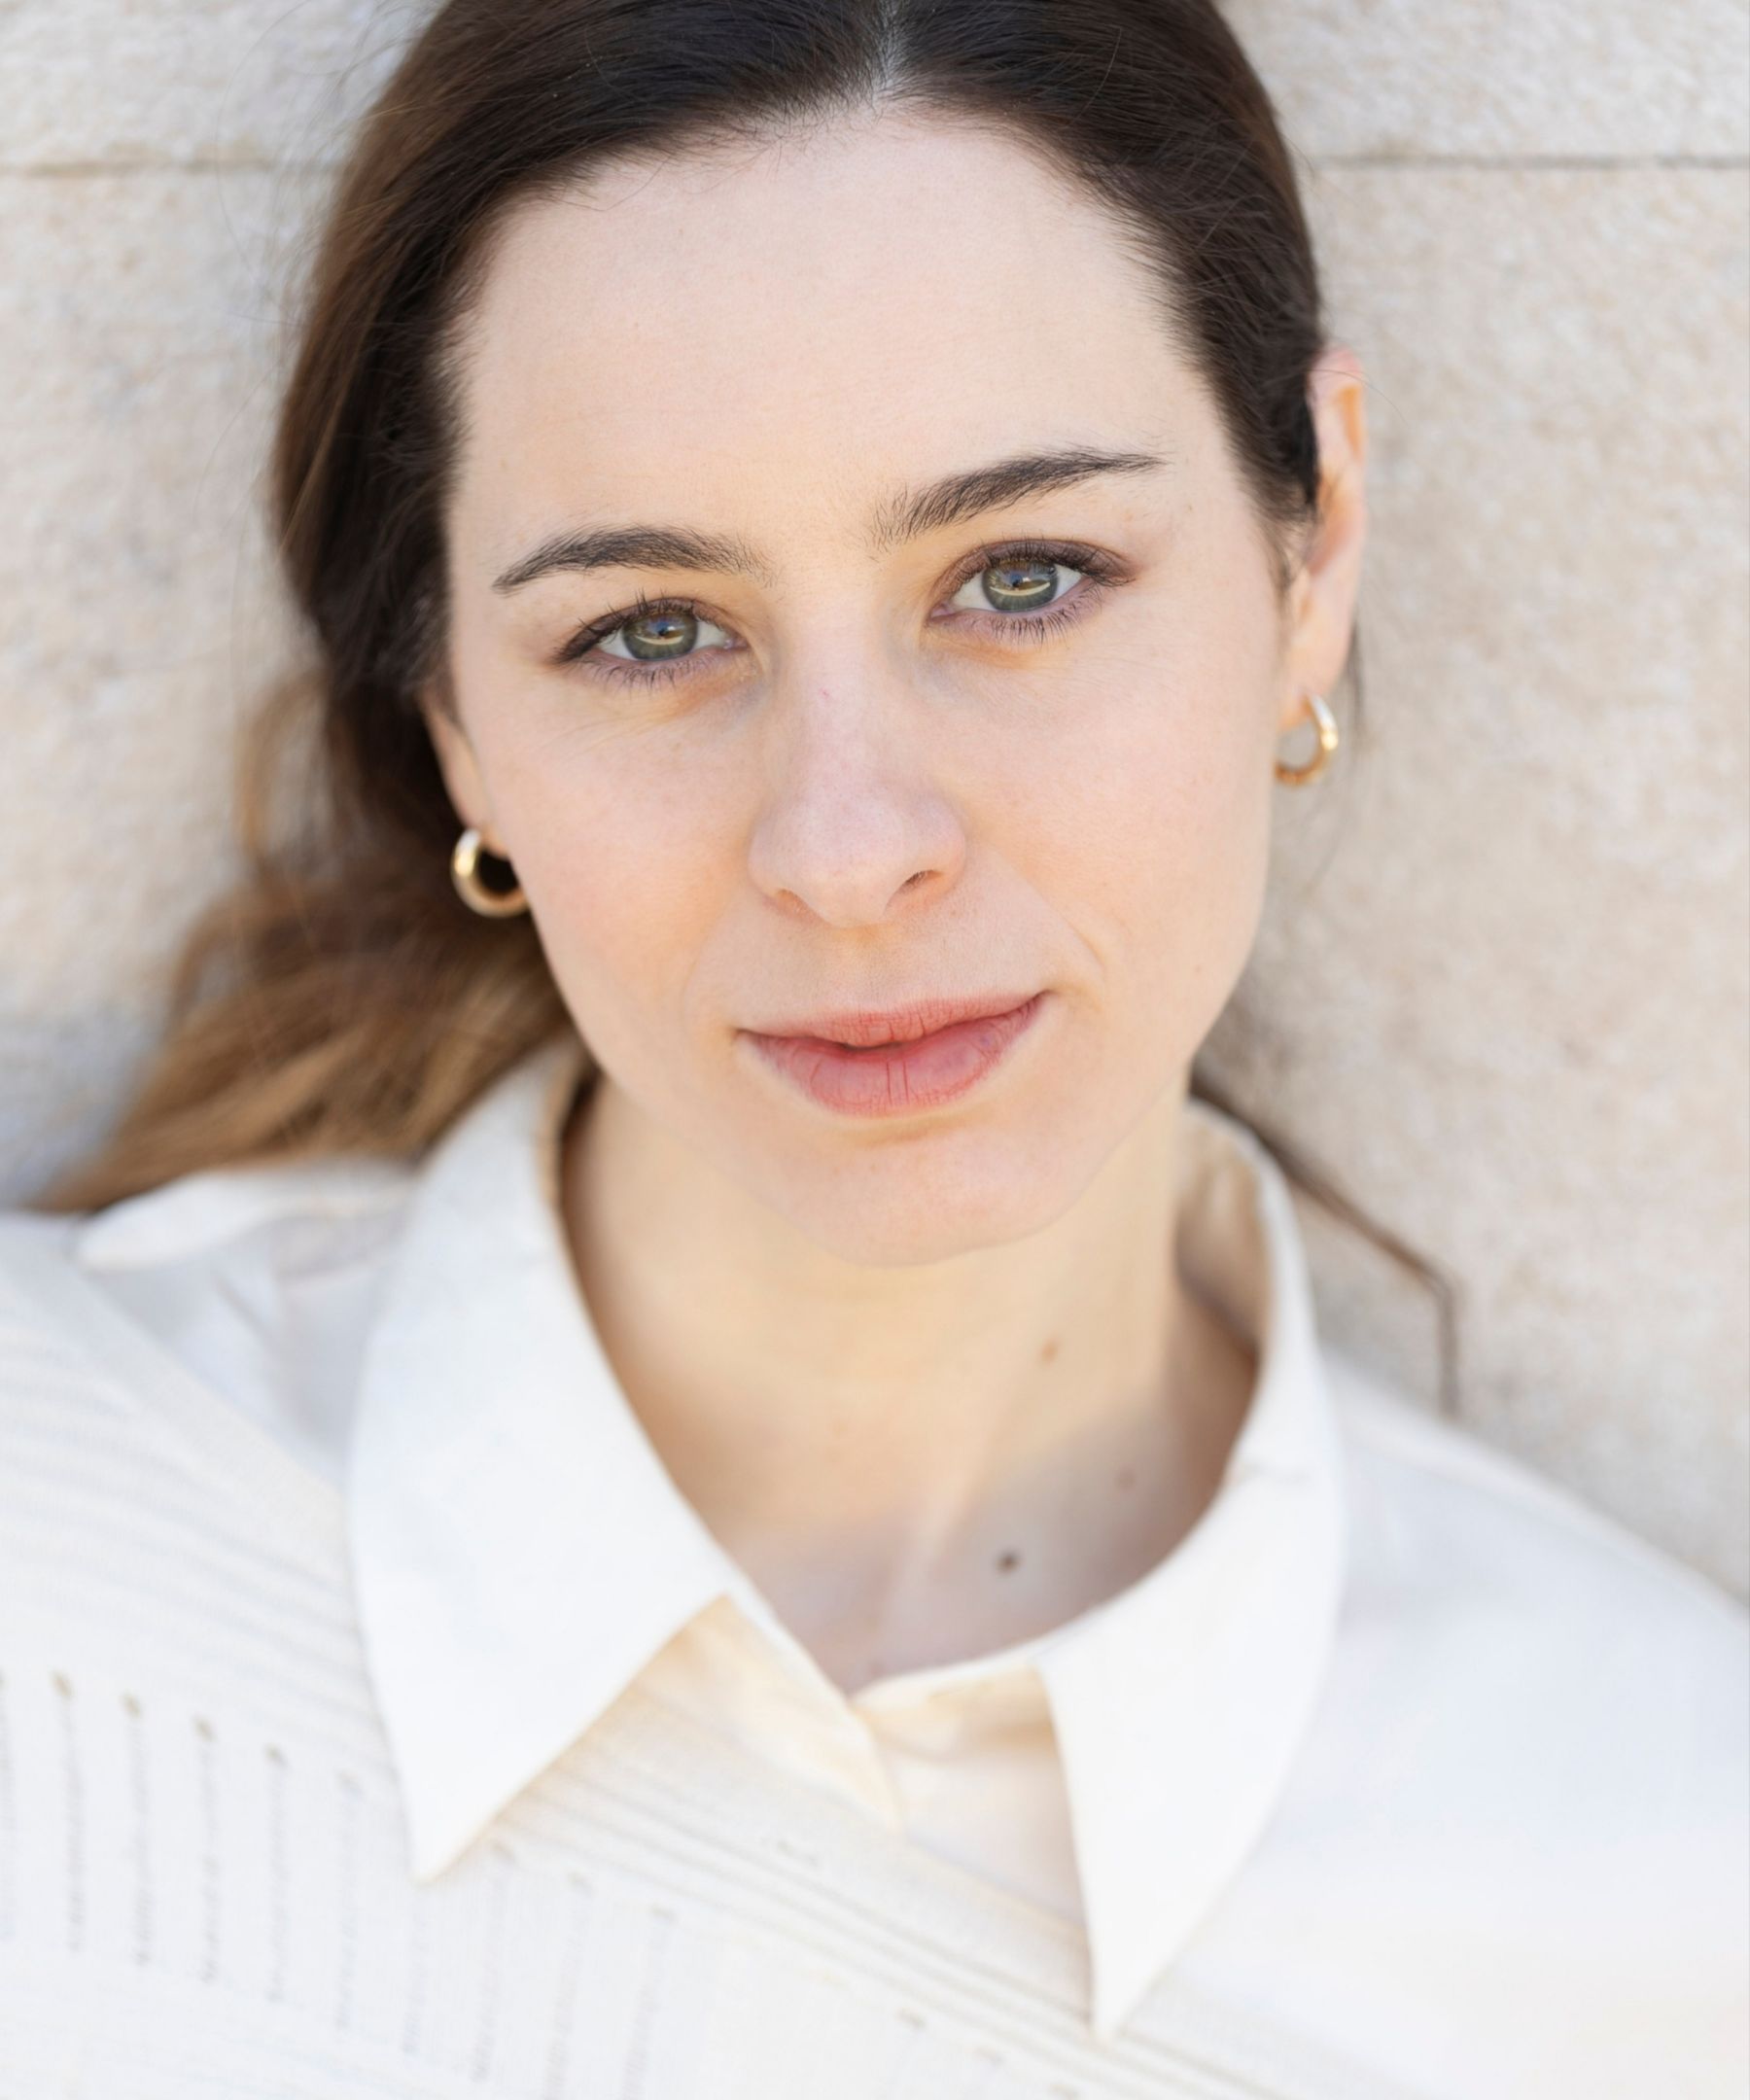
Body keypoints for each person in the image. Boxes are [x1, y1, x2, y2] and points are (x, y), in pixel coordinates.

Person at [1, 1, 1743, 2093]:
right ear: (454, 713)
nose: (847, 851)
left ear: (1316, 544)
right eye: (648, 632)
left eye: (1025, 578)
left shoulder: (1668, 1881)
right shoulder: (48, 1531)